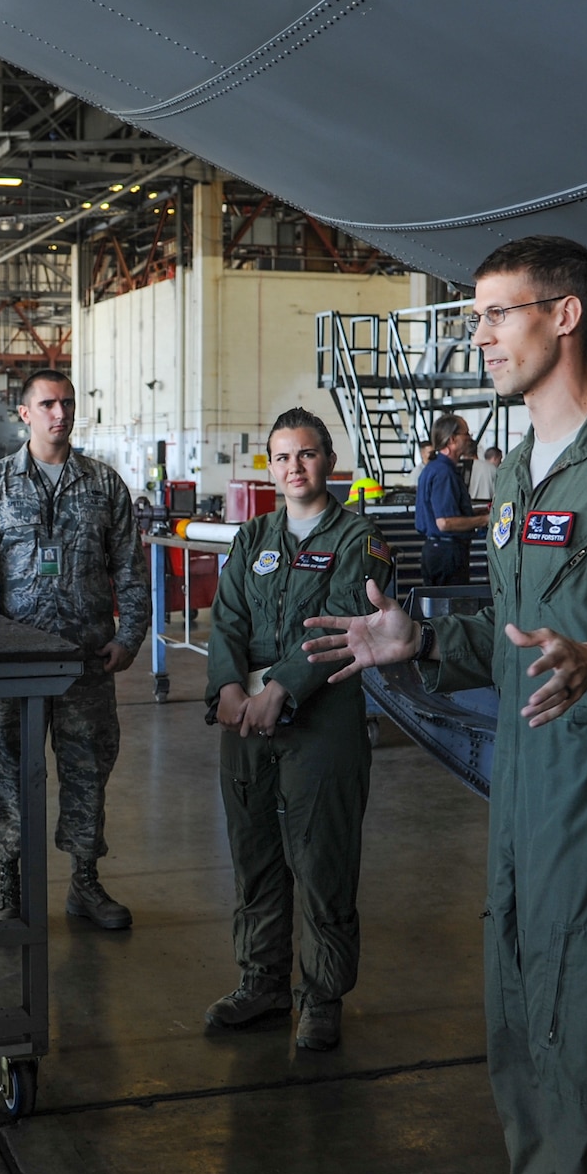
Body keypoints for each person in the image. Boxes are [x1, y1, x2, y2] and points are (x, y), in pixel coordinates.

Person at [305, 236, 587, 1174]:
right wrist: (415, 637)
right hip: (523, 798)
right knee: (522, 1021)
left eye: (496, 314)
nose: (479, 337)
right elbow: (512, 637)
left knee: (586, 1017)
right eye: (472, 317)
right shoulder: (511, 473)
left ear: (563, 316)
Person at [202, 408, 392, 1049]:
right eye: (282, 457)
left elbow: (347, 624)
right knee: (255, 856)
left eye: (306, 454)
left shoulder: (358, 539)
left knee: (321, 859)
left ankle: (322, 997)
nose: (294, 467)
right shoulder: (253, 538)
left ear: (328, 462)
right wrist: (229, 688)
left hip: (322, 720)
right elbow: (226, 615)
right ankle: (262, 983)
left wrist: (279, 689)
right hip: (245, 725)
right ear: (271, 465)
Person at [0, 368, 150, 928]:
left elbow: (130, 571)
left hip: (86, 662)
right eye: (47, 404)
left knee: (88, 769)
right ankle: (6, 883)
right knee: (4, 769)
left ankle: (85, 883)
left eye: (66, 403)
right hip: (11, 668)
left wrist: (129, 636)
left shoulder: (103, 485)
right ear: (24, 413)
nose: (59, 413)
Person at [414, 412, 488, 586]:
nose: (469, 438)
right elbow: (445, 523)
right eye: (466, 433)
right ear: (452, 439)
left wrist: (475, 512)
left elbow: (445, 512)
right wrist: (484, 519)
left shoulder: (435, 468)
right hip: (447, 554)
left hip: (439, 551)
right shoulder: (444, 473)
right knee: (452, 608)